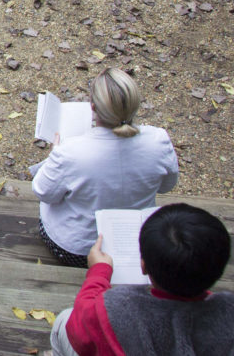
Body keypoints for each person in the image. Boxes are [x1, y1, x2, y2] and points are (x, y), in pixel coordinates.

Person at [31, 69, 180, 266]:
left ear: (92, 107)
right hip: (136, 244)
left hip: (76, 249)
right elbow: (167, 186)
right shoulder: (159, 140)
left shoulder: (69, 152)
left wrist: (54, 155)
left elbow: (44, 192)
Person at [52, 204, 233, 356]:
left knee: (63, 319)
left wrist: (98, 272)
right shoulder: (228, 315)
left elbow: (79, 328)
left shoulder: (118, 309)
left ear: (143, 266)